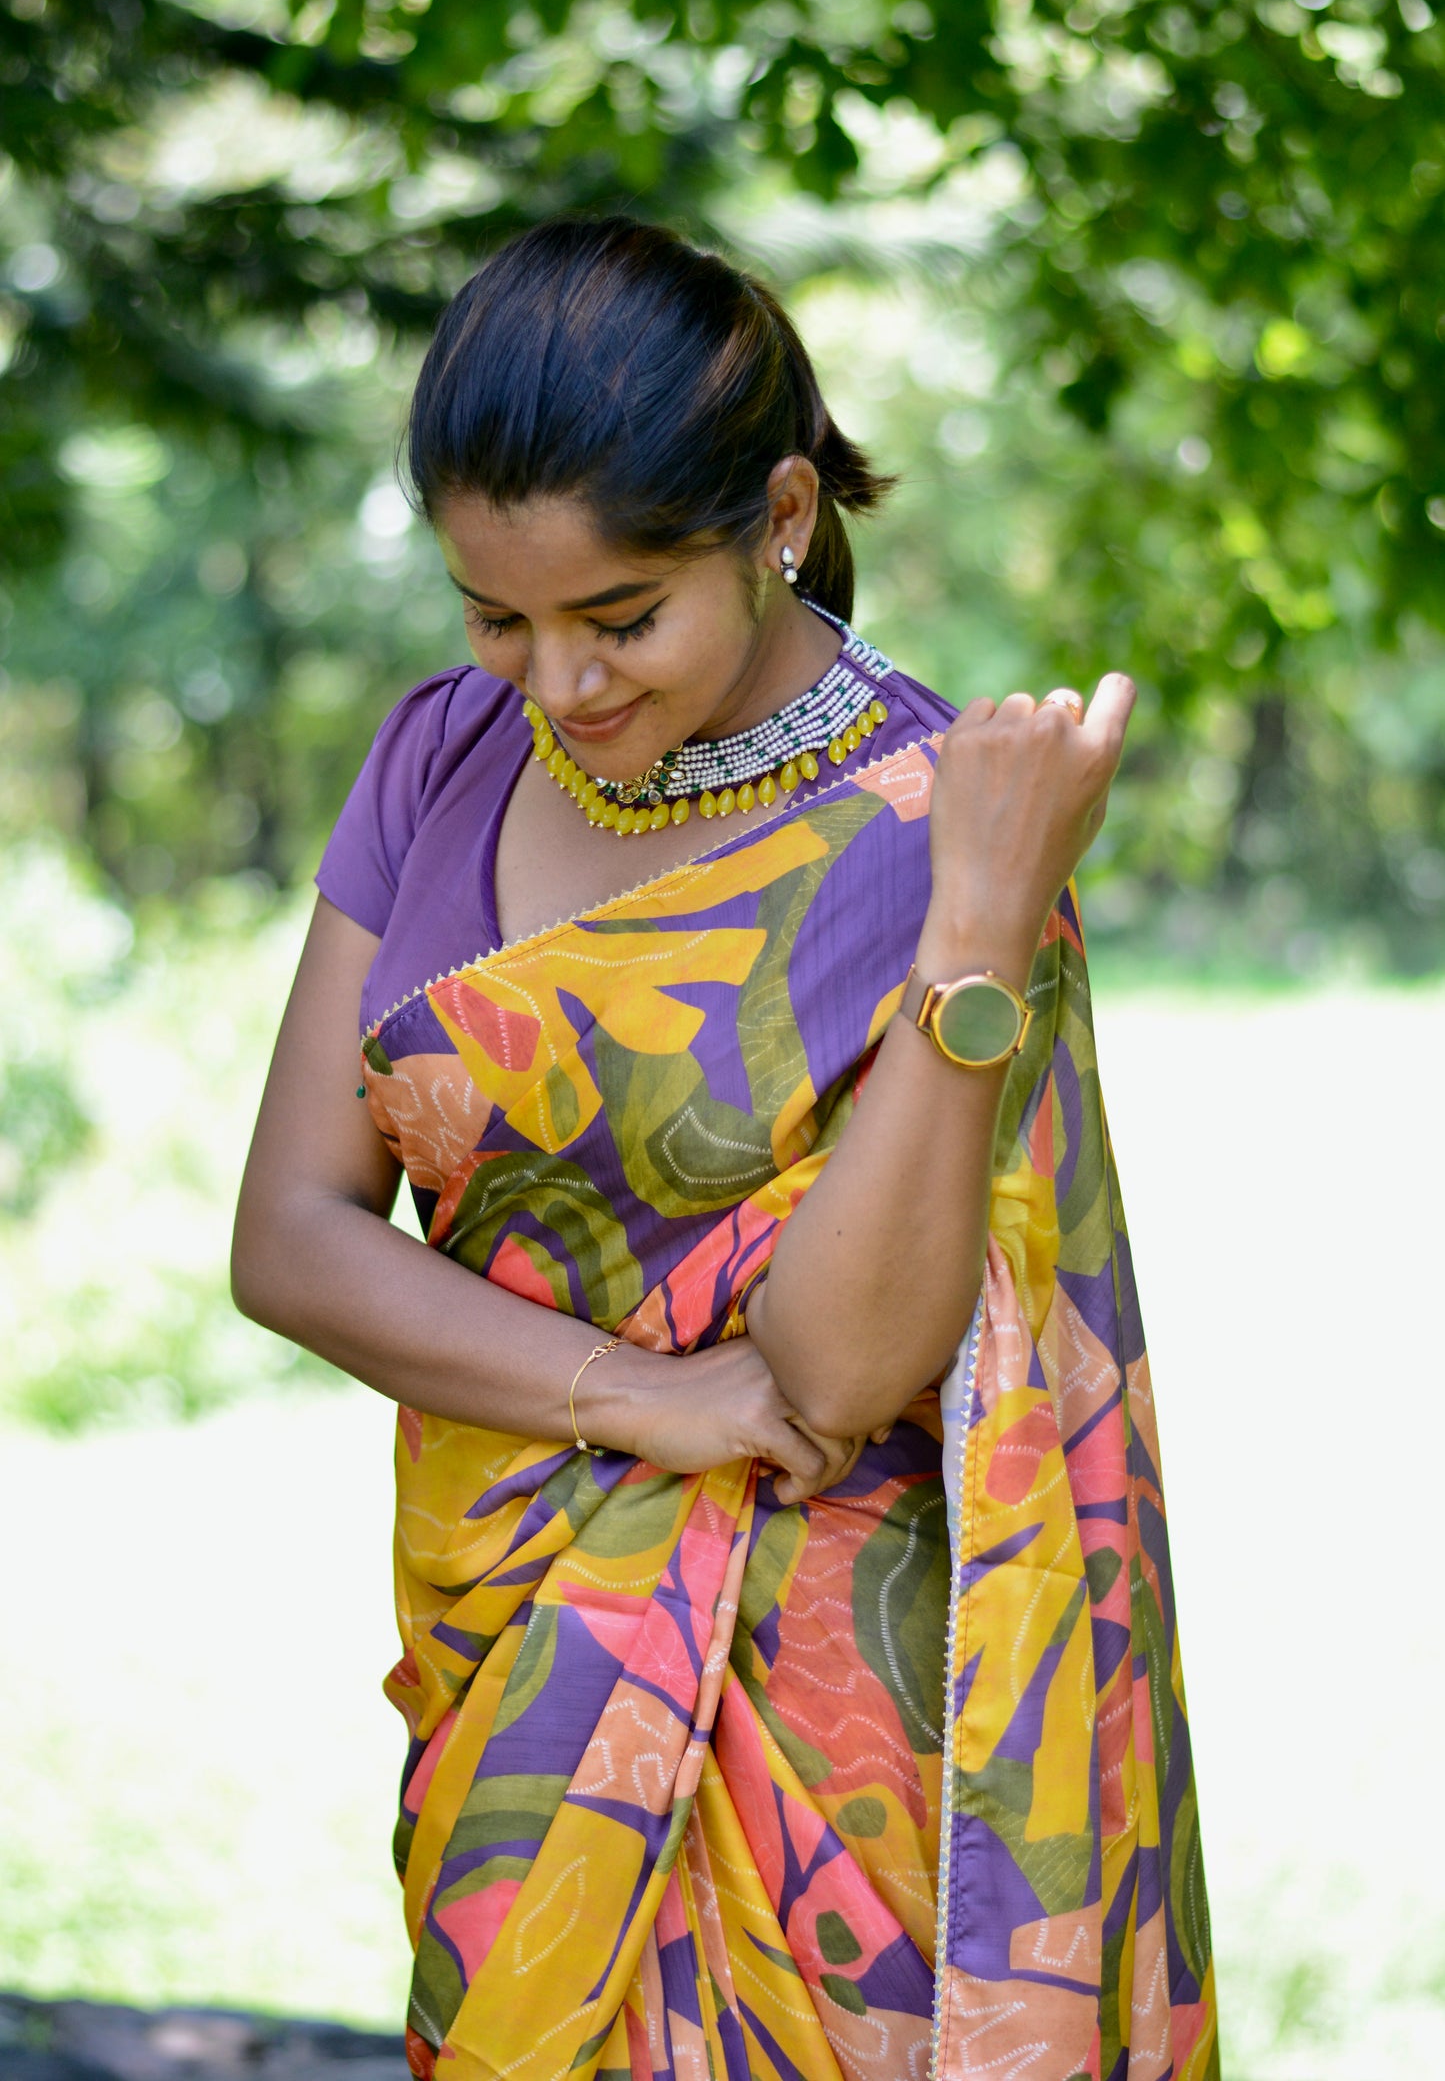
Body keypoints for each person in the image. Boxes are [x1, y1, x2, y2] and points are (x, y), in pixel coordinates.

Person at [233, 216, 1217, 2081]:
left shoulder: (940, 826)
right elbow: (292, 1232)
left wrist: (973, 937)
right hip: (522, 1690)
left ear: (776, 515)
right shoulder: (437, 761)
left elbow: (845, 1369)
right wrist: (640, 1393)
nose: (559, 683)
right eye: (494, 615)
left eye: (619, 618)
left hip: (837, 1744)